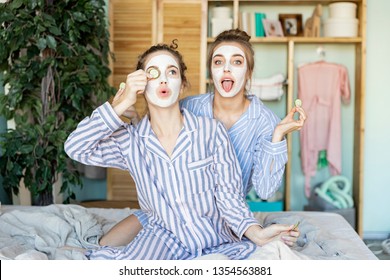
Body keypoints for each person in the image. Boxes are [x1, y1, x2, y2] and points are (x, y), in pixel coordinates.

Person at [65, 42, 299, 260]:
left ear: (183, 84)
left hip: (218, 239)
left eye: (172, 72)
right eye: (153, 73)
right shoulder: (130, 141)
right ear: (142, 85)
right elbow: (75, 147)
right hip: (163, 238)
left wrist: (257, 234)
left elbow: (230, 197)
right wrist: (120, 105)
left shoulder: (212, 131)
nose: (164, 80)